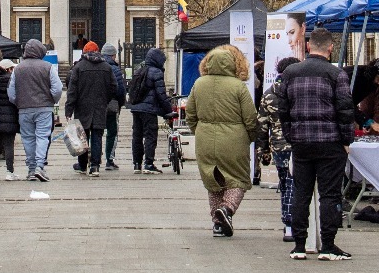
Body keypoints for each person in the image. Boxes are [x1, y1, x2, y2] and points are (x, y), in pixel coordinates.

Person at [274, 26, 355, 261]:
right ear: (331, 47)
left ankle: (299, 245)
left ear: (308, 46)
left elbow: (283, 110)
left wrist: (290, 136)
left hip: (301, 142)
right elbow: (345, 110)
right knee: (329, 195)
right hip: (330, 142)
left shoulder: (290, 73)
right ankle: (328, 245)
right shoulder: (336, 74)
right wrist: (346, 140)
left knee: (301, 192)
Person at [185, 44, 260, 237]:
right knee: (238, 179)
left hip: (205, 139)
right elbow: (250, 117)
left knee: (213, 182)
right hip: (234, 139)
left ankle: (218, 224)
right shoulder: (238, 86)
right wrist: (251, 136)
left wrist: (199, 131)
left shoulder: (199, 84)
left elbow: (190, 114)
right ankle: (226, 209)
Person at [256, 57, 300, 242]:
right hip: (298, 144)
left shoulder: (269, 94)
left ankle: (288, 223)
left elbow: (261, 126)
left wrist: (263, 151)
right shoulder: (299, 91)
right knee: (296, 184)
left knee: (285, 184)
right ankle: (292, 222)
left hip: (279, 146)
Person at [8, 38, 62, 182]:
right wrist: (52, 100)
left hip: (24, 109)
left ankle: (31, 169)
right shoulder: (48, 67)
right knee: (42, 137)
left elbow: (11, 93)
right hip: (44, 108)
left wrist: (18, 102)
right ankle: (39, 166)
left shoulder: (18, 68)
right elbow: (57, 89)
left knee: (28, 138)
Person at [66, 41, 114, 177]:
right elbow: (113, 87)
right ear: (98, 51)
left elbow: (72, 91)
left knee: (82, 136)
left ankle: (82, 165)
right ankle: (95, 166)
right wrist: (105, 99)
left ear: (84, 52)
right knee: (97, 136)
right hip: (100, 106)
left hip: (82, 107)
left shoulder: (78, 67)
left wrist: (69, 109)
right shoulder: (106, 67)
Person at [128, 46, 172, 173]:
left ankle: (137, 164)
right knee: (150, 136)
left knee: (137, 136)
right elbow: (161, 95)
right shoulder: (156, 72)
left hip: (136, 109)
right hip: (149, 110)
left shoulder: (138, 71)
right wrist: (168, 110)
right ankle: (148, 163)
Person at [99, 44, 126, 170]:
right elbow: (120, 89)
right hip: (112, 104)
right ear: (113, 55)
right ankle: (109, 160)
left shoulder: (97, 66)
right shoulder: (115, 69)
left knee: (96, 132)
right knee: (112, 132)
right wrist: (120, 103)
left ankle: (94, 159)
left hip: (97, 105)